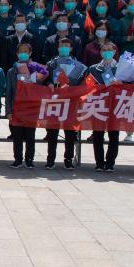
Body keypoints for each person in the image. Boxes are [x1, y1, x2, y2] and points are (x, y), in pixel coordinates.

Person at [44, 38, 87, 169]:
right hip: (55, 100)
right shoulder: (51, 63)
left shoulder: (78, 65)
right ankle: (50, 160)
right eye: (62, 45)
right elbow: (45, 78)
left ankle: (68, 159)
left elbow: (81, 83)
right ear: (58, 47)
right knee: (52, 132)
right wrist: (49, 83)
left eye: (67, 45)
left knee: (69, 132)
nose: (64, 47)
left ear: (71, 48)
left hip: (70, 101)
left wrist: (71, 86)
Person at [7, 43, 46, 168]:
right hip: (17, 107)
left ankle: (29, 159)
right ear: (17, 54)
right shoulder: (12, 71)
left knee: (30, 136)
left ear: (30, 53)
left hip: (31, 107)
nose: (23, 53)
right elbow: (9, 92)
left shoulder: (37, 69)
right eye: (20, 51)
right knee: (17, 136)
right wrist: (8, 110)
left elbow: (42, 84)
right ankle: (18, 159)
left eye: (26, 51)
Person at [87, 41, 120, 171]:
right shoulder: (93, 68)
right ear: (100, 53)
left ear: (114, 51)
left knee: (114, 134)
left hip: (115, 105)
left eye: (109, 50)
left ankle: (110, 162)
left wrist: (120, 83)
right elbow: (88, 86)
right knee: (98, 134)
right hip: (99, 104)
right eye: (104, 50)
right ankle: (99, 163)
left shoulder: (121, 68)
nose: (107, 52)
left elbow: (128, 86)